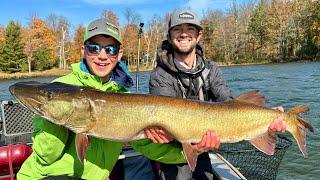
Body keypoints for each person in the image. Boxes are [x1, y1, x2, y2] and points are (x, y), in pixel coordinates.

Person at [17, 18, 189, 180]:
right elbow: (46, 156)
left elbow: (147, 147)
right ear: (83, 51)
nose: (102, 55)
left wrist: (190, 152)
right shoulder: (60, 86)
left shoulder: (123, 96)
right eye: (94, 48)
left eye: (110, 49)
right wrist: (54, 118)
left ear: (119, 54)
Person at [148, 8, 287, 180]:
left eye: (190, 29)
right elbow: (166, 122)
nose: (184, 34)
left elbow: (228, 103)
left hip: (205, 146)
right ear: (169, 36)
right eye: (177, 29)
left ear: (199, 35)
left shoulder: (211, 69)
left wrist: (266, 118)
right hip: (172, 150)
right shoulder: (160, 75)